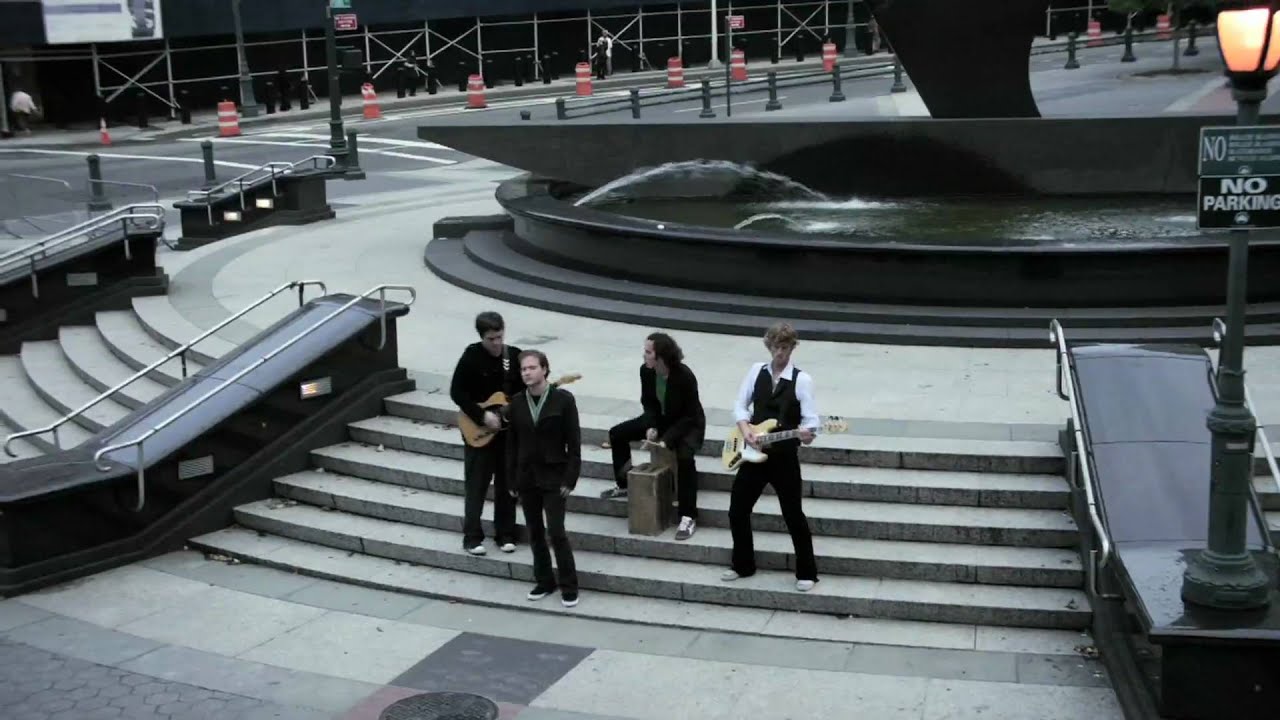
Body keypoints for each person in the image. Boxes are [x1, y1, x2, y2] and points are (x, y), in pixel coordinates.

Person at [722, 322, 819, 592]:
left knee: (793, 514)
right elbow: (740, 405)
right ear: (769, 346)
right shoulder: (756, 371)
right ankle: (742, 564)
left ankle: (807, 572)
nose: (780, 353)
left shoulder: (802, 380)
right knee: (737, 509)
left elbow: (811, 421)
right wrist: (747, 431)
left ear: (792, 348)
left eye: (785, 348)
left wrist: (807, 435)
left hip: (784, 458)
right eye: (776, 347)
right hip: (754, 452)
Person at [601, 333, 705, 541]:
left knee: (685, 457)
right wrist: (651, 426)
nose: (644, 355)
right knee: (617, 434)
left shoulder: (684, 375)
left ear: (661, 356)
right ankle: (624, 484)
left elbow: (690, 415)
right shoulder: (646, 371)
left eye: (648, 352)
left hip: (687, 424)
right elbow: (648, 403)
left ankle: (688, 515)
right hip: (660, 420)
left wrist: (666, 439)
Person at [506, 349, 582, 607]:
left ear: (545, 369)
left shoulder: (563, 400)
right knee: (534, 531)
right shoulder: (517, 402)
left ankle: (569, 585)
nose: (527, 372)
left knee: (556, 531)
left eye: (532, 367)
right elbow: (512, 444)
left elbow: (574, 442)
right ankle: (544, 580)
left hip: (554, 475)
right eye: (523, 369)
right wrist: (511, 479)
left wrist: (570, 478)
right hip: (527, 476)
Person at [450, 311, 522, 556]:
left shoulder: (514, 356)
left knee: (507, 484)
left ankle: (505, 534)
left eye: (500, 337)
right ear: (482, 337)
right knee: (476, 485)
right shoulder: (471, 356)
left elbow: (523, 391)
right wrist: (482, 416)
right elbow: (457, 392)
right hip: (478, 430)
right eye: (491, 339)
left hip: (507, 433)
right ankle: (472, 537)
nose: (496, 343)